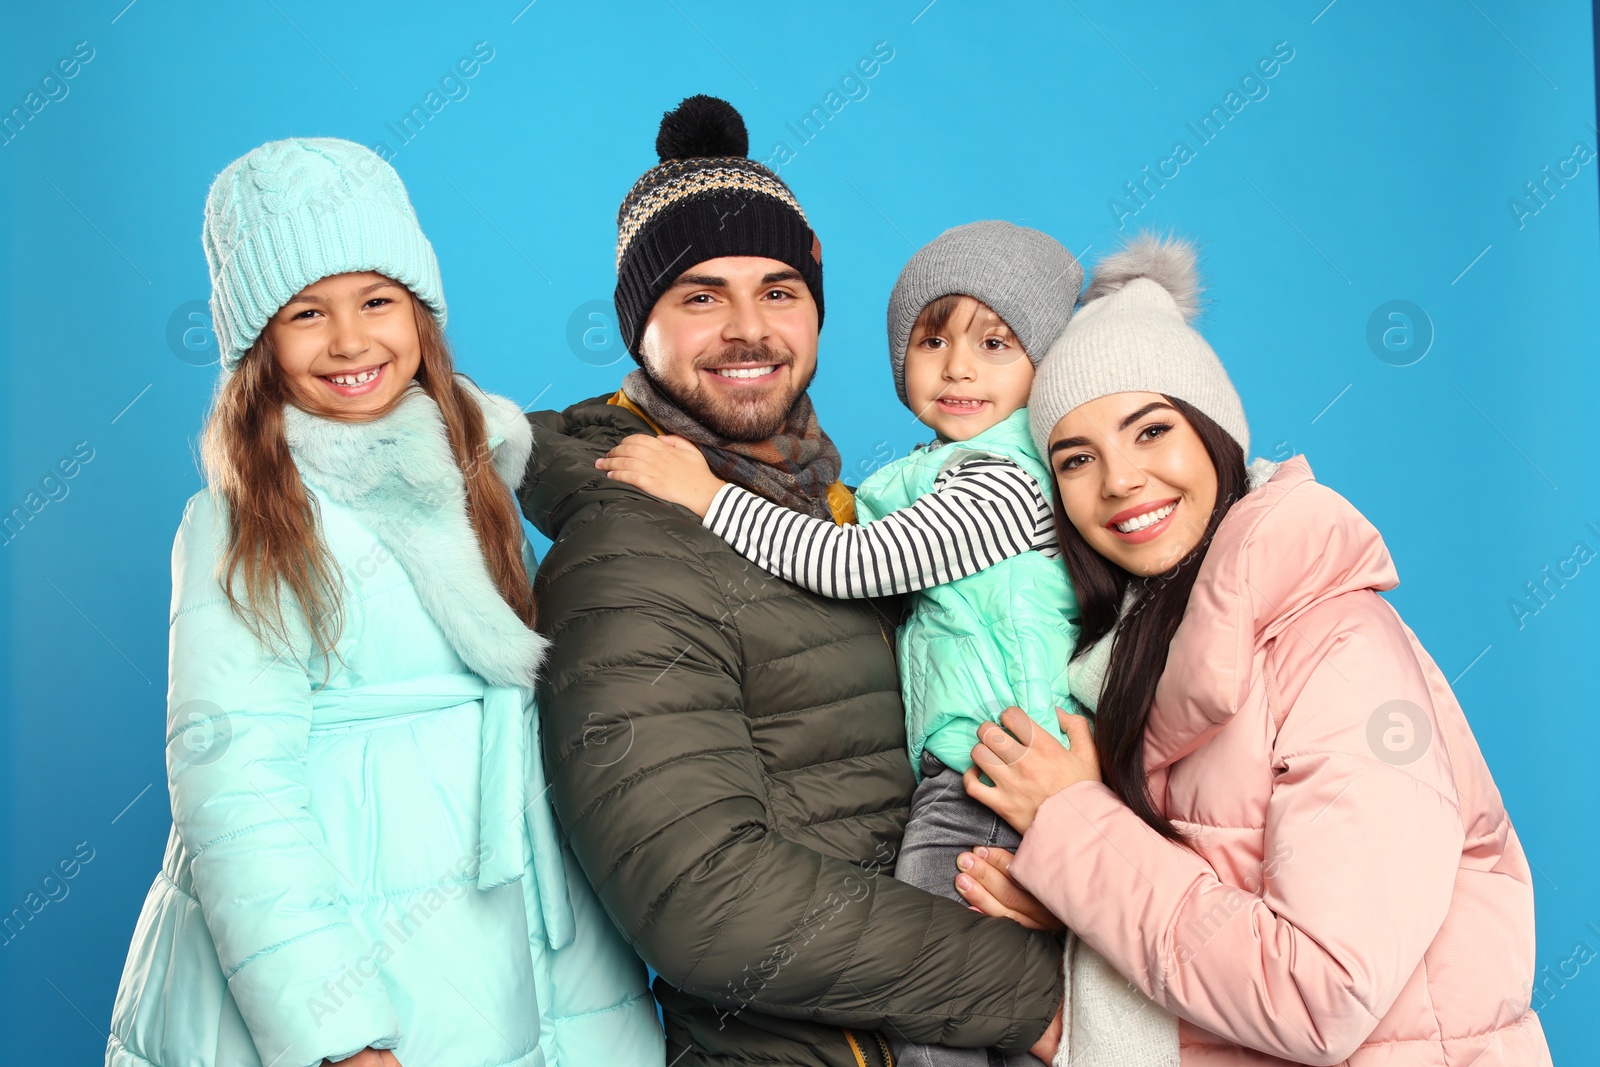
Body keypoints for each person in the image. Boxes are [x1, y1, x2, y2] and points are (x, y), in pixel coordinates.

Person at [517, 97, 1065, 1067]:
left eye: (778, 290)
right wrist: (1036, 991)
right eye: (697, 295)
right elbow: (707, 901)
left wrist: (1071, 842)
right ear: (636, 325)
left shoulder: (855, 514)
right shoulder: (627, 548)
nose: (746, 329)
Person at [107, 138, 662, 1067]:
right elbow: (235, 792)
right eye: (306, 313)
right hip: (349, 957)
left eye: (377, 300)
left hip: (502, 931)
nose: (351, 340)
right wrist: (339, 1030)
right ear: (258, 344)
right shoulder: (243, 523)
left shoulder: (466, 467)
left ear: (420, 314)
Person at [953, 233, 1553, 1066]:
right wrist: (1077, 901)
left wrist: (1077, 832)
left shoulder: (1338, 651)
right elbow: (1212, 901)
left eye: (1152, 429)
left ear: (1216, 434)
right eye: (1077, 458)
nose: (1120, 481)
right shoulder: (1137, 652)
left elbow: (1322, 995)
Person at [601, 222, 1178, 1066]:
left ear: (1045, 365)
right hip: (982, 768)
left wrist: (708, 498)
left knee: (934, 1002)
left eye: (995, 342)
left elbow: (861, 563)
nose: (957, 367)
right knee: (992, 1013)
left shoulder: (1007, 481)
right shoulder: (941, 469)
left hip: (1004, 775)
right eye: (931, 337)